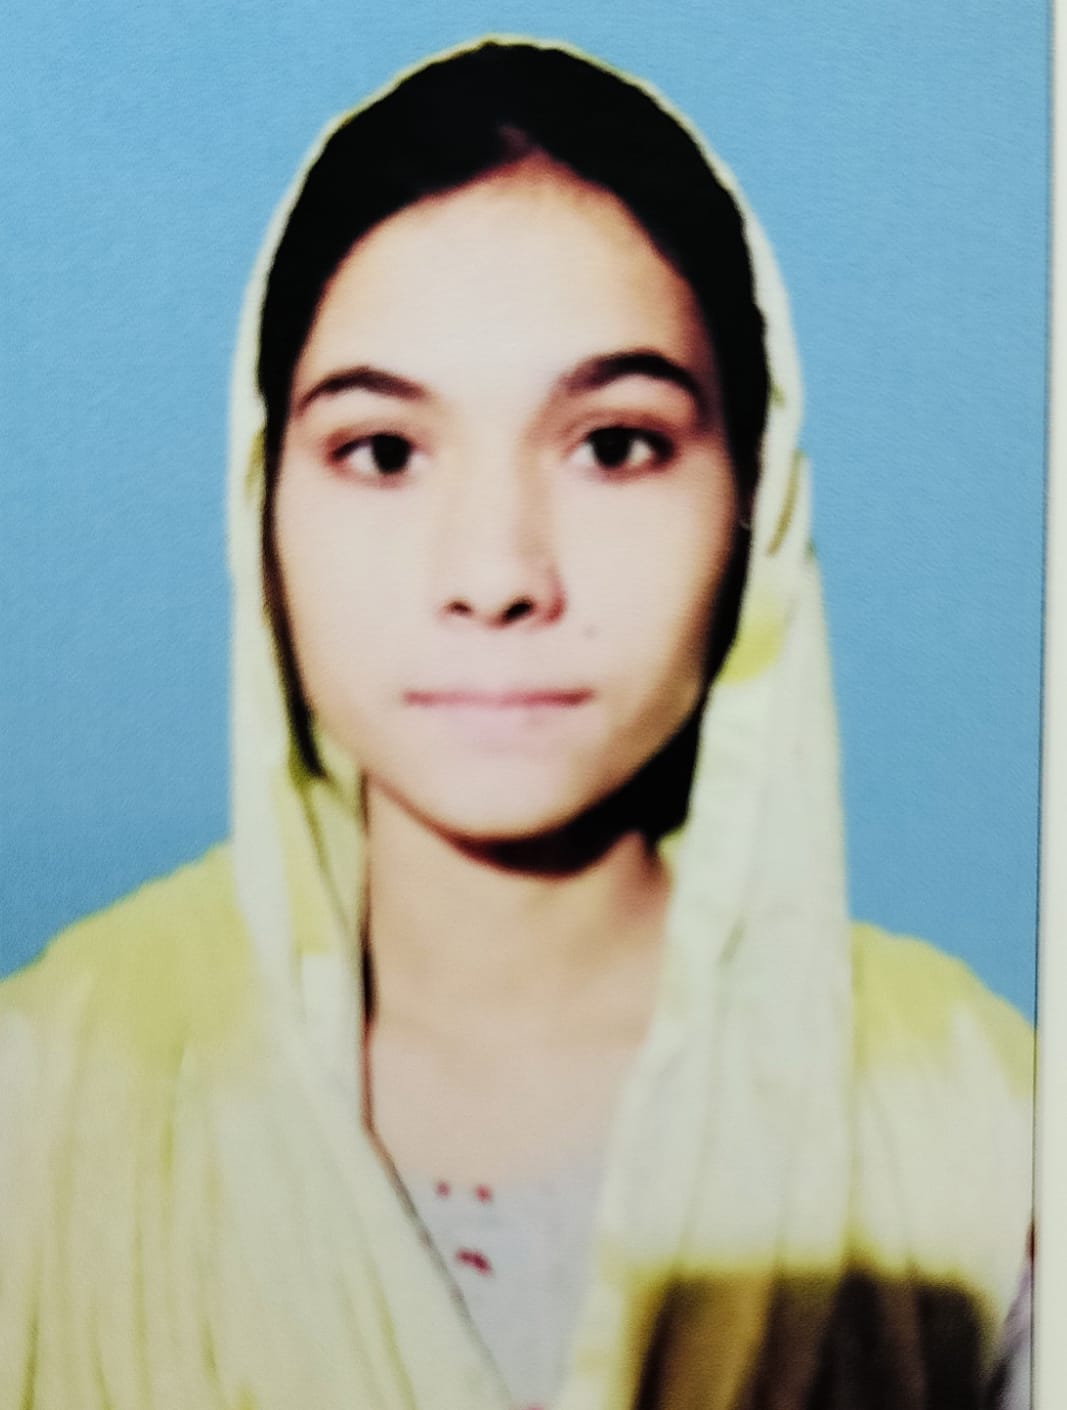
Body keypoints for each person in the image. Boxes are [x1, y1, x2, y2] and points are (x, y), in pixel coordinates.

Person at [0, 37, 1033, 1410]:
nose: (495, 575)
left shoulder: (989, 1129)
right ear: (262, 503)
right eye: (382, 451)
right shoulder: (43, 1095)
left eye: (615, 444)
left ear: (756, 503)